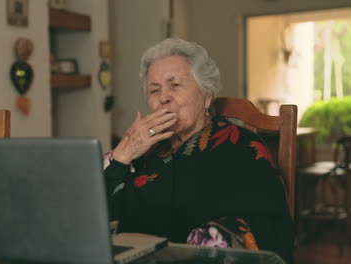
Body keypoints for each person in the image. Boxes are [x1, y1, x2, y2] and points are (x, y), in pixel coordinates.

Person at [103, 38, 294, 262]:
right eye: (154, 90)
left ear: (206, 95)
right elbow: (100, 217)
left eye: (175, 85)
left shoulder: (242, 147)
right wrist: (122, 155)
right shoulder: (142, 151)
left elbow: (269, 229)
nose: (164, 97)